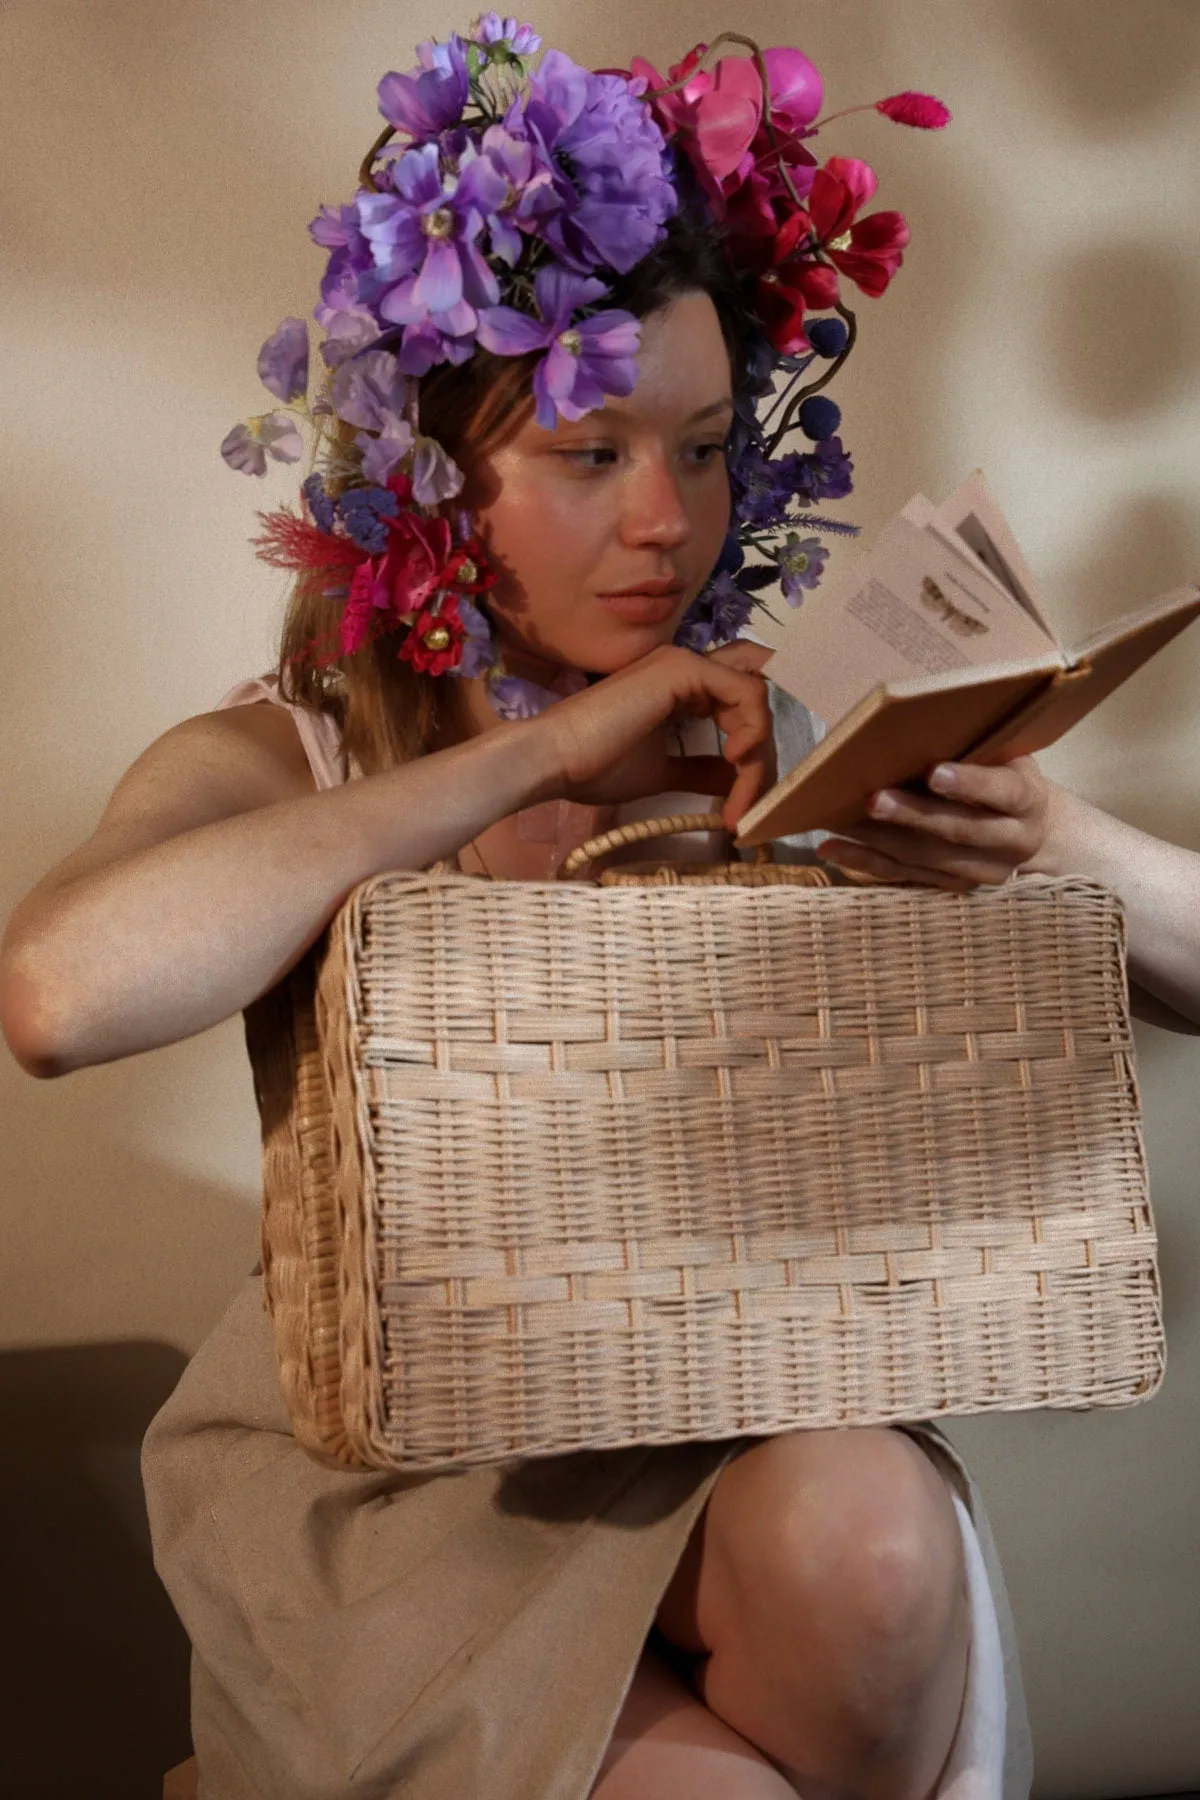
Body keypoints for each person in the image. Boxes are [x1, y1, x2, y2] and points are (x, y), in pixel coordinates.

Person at [3, 19, 1199, 1800]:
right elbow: (55, 993)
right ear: (434, 472)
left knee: (876, 1541)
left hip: (733, 1401)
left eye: (707, 450)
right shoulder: (305, 757)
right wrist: (535, 753)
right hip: (404, 1478)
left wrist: (1031, 830)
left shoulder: (777, 737)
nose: (670, 524)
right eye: (591, 455)